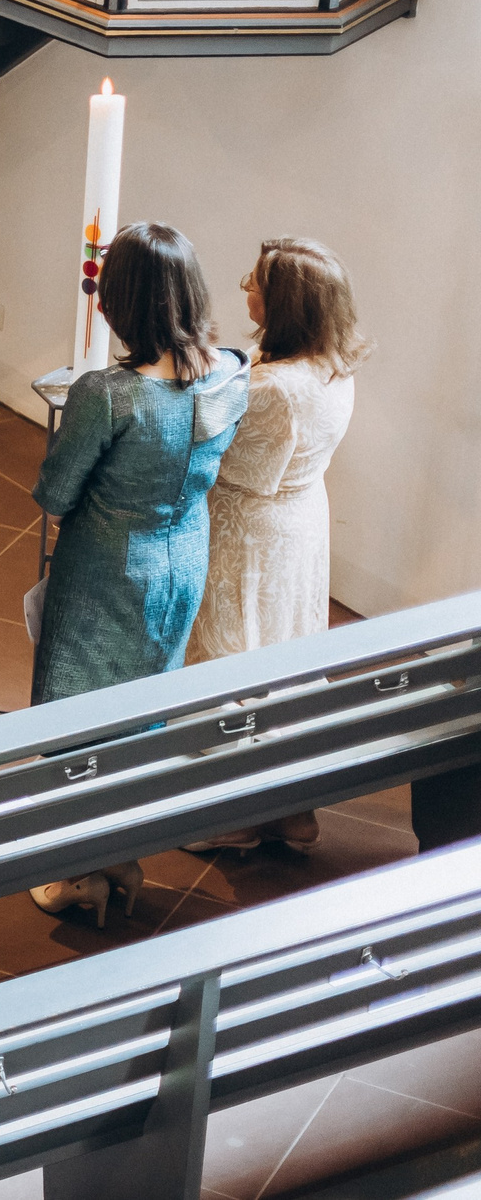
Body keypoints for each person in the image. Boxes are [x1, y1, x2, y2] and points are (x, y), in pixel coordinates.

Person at [30, 221, 249, 920]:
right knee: (143, 712)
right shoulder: (229, 375)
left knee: (74, 714)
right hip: (182, 555)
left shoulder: (109, 393)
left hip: (105, 567)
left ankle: (73, 873)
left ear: (118, 302)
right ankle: (122, 852)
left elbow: (57, 491)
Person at [186, 238, 369, 853]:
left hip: (251, 532)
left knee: (233, 660)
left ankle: (232, 817)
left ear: (286, 303)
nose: (243, 288)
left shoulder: (276, 389)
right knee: (288, 657)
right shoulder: (331, 363)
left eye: (256, 283)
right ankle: (294, 809)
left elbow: (220, 458)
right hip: (300, 519)